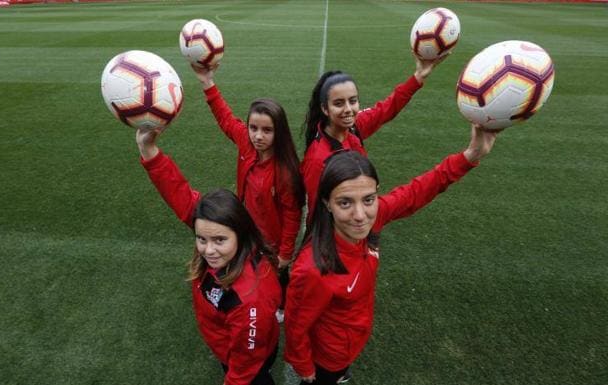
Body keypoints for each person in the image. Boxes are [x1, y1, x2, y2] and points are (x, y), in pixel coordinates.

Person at [284, 124, 498, 384]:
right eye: (345, 203)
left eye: (368, 199)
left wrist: (470, 156)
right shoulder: (313, 268)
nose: (360, 215)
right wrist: (305, 368)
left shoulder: (374, 218)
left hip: (351, 341)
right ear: (327, 203)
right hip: (328, 358)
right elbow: (296, 327)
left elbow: (417, 191)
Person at [136, 128, 282, 385]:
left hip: (250, 362)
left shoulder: (249, 300)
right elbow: (178, 192)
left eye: (219, 241)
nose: (208, 250)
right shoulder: (214, 228)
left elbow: (244, 369)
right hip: (227, 345)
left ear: (240, 232)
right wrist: (148, 150)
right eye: (201, 239)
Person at [301, 54, 448, 221]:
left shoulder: (353, 127)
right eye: (339, 103)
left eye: (353, 101)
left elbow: (385, 109)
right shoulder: (317, 159)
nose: (348, 109)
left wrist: (418, 77)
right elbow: (317, 213)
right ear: (325, 109)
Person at [192, 66, 305, 270]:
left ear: (279, 132)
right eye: (253, 128)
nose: (258, 136)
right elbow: (226, 118)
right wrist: (207, 82)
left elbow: (292, 216)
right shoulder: (247, 143)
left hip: (271, 244)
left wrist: (285, 254)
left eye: (267, 130)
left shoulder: (285, 172)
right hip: (246, 231)